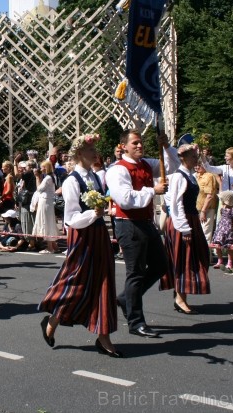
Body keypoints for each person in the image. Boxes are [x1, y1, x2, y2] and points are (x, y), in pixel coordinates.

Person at [39, 133, 121, 357]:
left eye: (95, 150)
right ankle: (53, 319)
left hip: (99, 234)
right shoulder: (71, 181)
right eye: (90, 150)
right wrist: (92, 215)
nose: (95, 153)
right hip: (83, 236)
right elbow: (71, 218)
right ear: (78, 154)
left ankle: (103, 334)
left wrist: (100, 214)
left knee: (104, 281)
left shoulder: (95, 177)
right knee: (76, 281)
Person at [105, 129, 179, 338]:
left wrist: (166, 146)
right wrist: (152, 191)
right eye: (135, 143)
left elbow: (172, 166)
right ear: (124, 146)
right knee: (135, 272)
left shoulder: (147, 164)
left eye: (141, 143)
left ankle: (125, 299)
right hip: (128, 223)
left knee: (160, 265)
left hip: (146, 222)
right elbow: (125, 199)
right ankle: (136, 321)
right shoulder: (117, 170)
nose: (139, 146)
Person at [160, 144, 211, 314]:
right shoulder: (178, 177)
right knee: (184, 259)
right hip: (182, 222)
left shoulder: (189, 175)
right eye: (193, 157)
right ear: (184, 158)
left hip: (192, 219)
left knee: (196, 256)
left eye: (196, 157)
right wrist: (184, 228)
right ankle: (180, 298)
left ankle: (180, 294)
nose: (196, 160)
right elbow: (175, 204)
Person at [32, 160, 59, 254]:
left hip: (45, 201)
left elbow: (39, 189)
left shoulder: (47, 178)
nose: (41, 168)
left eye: (42, 167)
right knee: (49, 222)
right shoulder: (51, 176)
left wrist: (37, 177)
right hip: (48, 201)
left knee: (45, 222)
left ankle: (50, 247)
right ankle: (54, 246)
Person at [212, 191, 233, 270]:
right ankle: (219, 260)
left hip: (229, 229)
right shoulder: (222, 207)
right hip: (221, 228)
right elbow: (221, 217)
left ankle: (229, 262)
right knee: (217, 243)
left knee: (229, 246)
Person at [195, 161, 219, 244]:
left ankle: (206, 255)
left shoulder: (209, 176)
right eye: (196, 165)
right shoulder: (197, 175)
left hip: (207, 209)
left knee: (205, 233)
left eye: (199, 165)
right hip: (197, 207)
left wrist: (203, 211)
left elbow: (210, 195)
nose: (197, 167)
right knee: (198, 233)